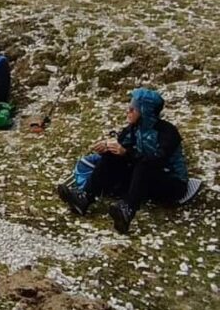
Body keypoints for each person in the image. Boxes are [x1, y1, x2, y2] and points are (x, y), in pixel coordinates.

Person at [57, 88, 188, 234]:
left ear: (144, 112)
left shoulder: (167, 132)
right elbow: (122, 145)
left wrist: (126, 152)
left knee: (143, 165)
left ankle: (128, 209)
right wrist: (107, 146)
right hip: (145, 179)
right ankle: (85, 197)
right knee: (112, 154)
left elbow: (157, 161)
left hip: (172, 183)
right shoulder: (134, 128)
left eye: (133, 109)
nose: (128, 111)